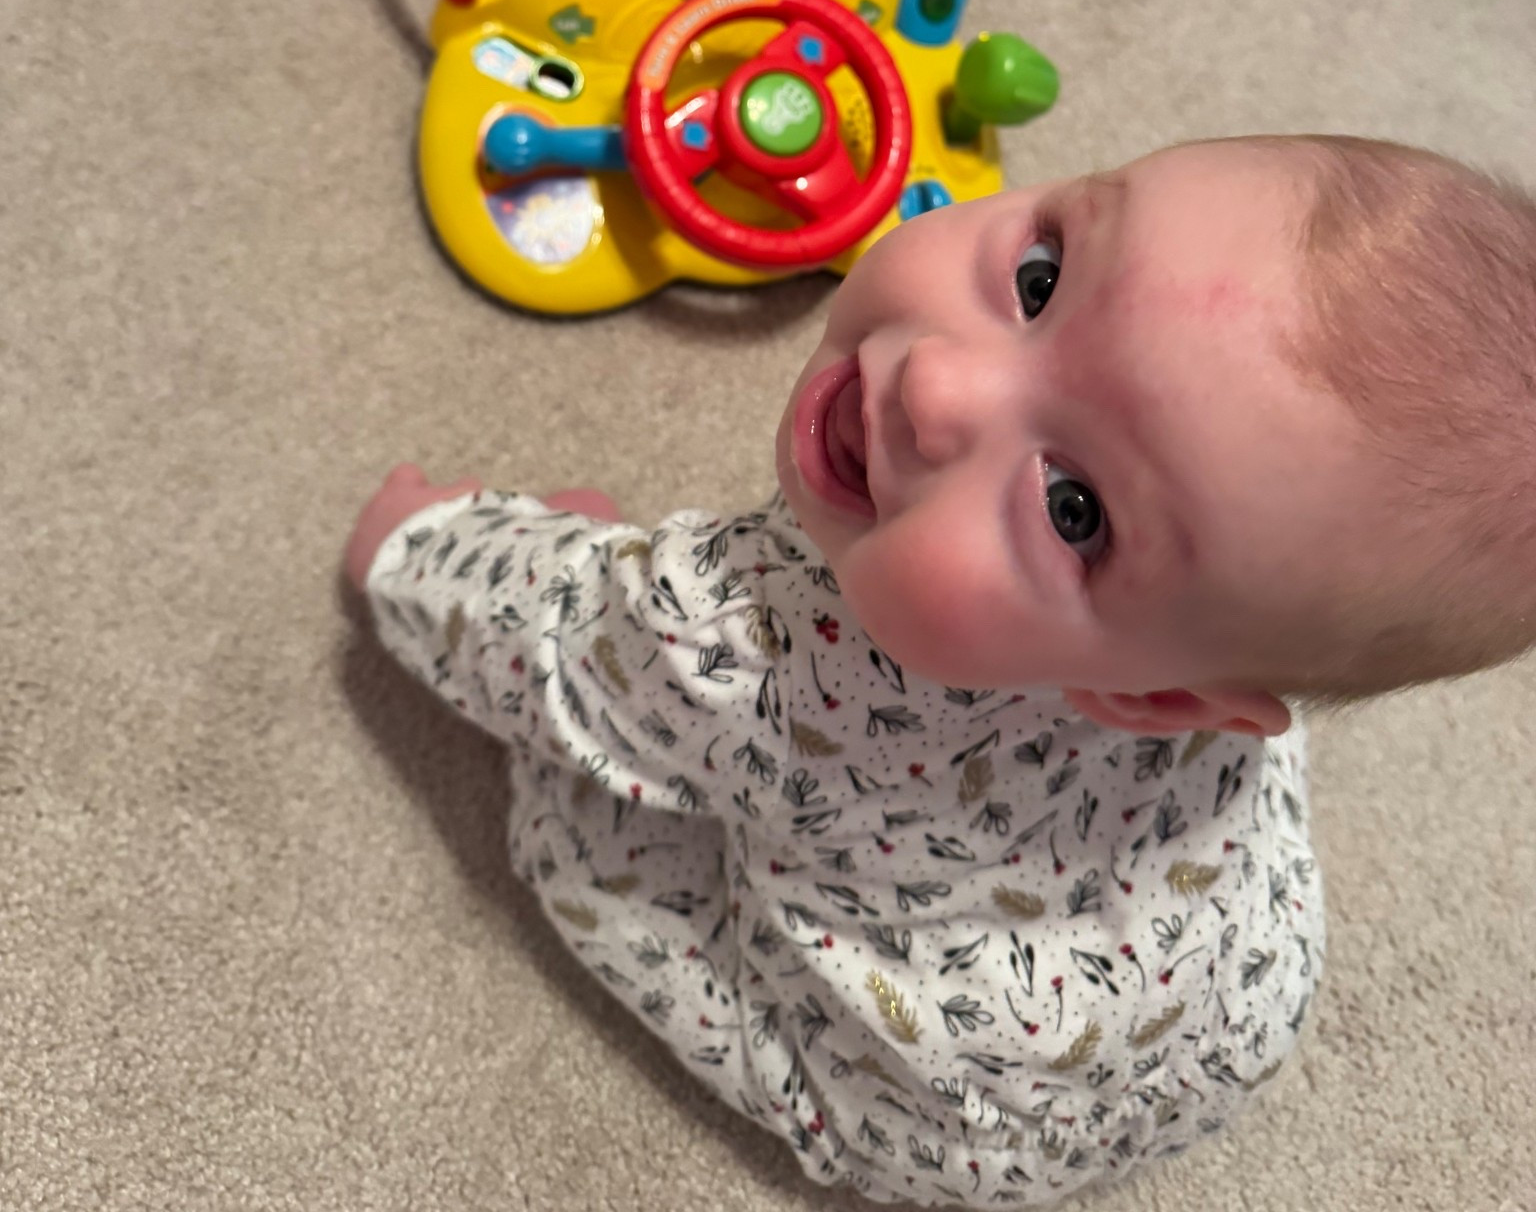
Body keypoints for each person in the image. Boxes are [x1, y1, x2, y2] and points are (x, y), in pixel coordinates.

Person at [344, 134, 1536, 1206]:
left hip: (942, 1113)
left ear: (1158, 701)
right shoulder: (1198, 649)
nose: (935, 386)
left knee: (595, 816)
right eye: (1040, 278)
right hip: (1229, 1012)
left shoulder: (757, 642)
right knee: (1240, 659)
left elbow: (541, 642)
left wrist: (414, 547)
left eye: (1075, 509)